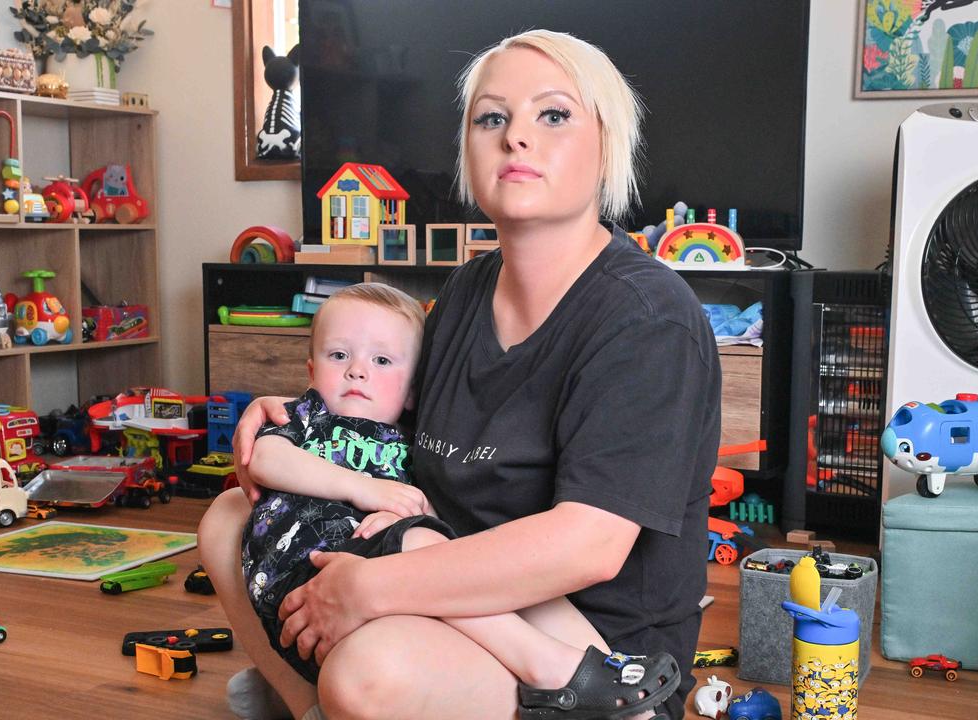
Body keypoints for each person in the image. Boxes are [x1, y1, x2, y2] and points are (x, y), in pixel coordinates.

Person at [199, 28, 720, 720]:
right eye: (492, 117)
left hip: (588, 650)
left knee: (367, 674)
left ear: (607, 144)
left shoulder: (649, 320)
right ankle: (307, 707)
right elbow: (388, 434)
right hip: (446, 570)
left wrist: (373, 589)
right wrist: (302, 417)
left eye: (554, 114)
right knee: (231, 513)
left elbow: (589, 547)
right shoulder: (467, 294)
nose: (517, 137)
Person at [242, 281, 680, 716]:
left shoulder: (410, 441)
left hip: (374, 573)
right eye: (339, 355)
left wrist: (416, 514)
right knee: (423, 545)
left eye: (381, 360)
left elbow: (433, 506)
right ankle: (547, 665)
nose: (358, 370)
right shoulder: (306, 417)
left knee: (447, 555)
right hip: (305, 571)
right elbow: (264, 456)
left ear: (413, 392)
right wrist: (365, 489)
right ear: (311, 372)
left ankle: (584, 670)